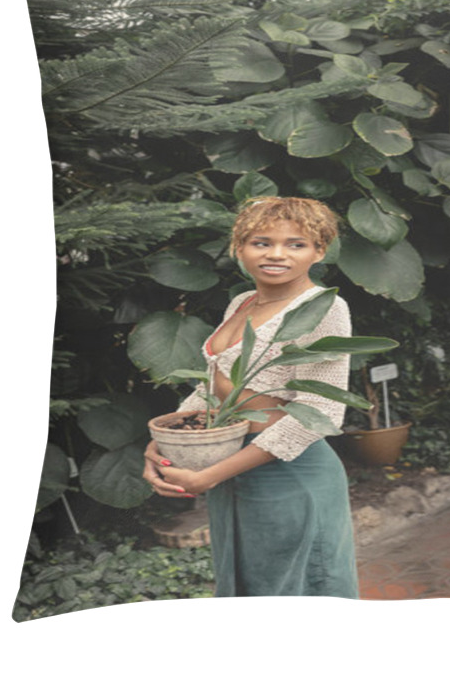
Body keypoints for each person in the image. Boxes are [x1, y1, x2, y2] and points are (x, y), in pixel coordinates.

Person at [142, 196, 359, 598]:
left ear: (319, 251)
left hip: (289, 473)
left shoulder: (324, 307)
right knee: (249, 588)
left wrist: (209, 476)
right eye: (261, 242)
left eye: (296, 243)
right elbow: (214, 387)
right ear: (239, 248)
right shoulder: (241, 303)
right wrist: (164, 441)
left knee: (296, 595)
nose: (277, 254)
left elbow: (321, 410)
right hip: (230, 467)